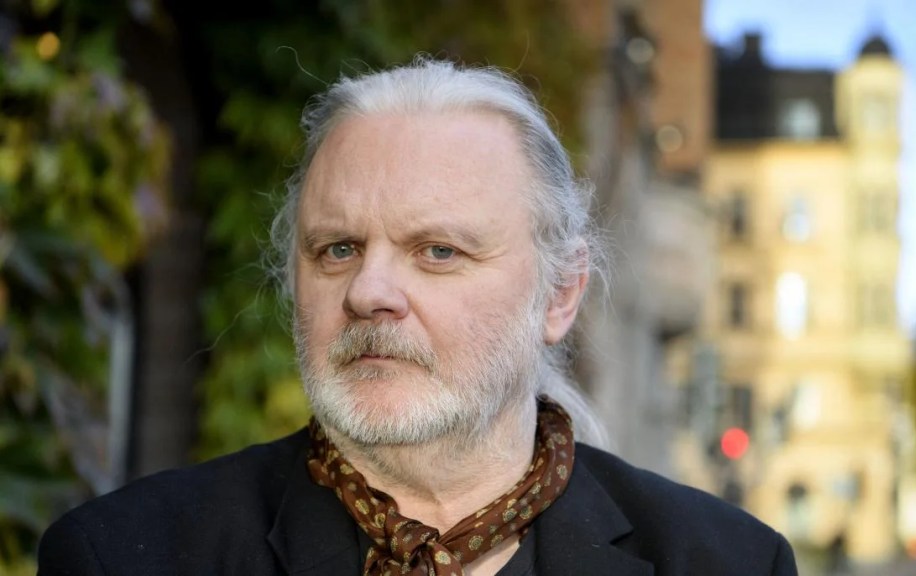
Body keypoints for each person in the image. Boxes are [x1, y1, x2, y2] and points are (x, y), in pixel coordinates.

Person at [38, 58, 798, 576]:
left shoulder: (725, 562)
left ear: (560, 294)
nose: (368, 290)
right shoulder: (125, 556)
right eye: (337, 249)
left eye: (437, 251)